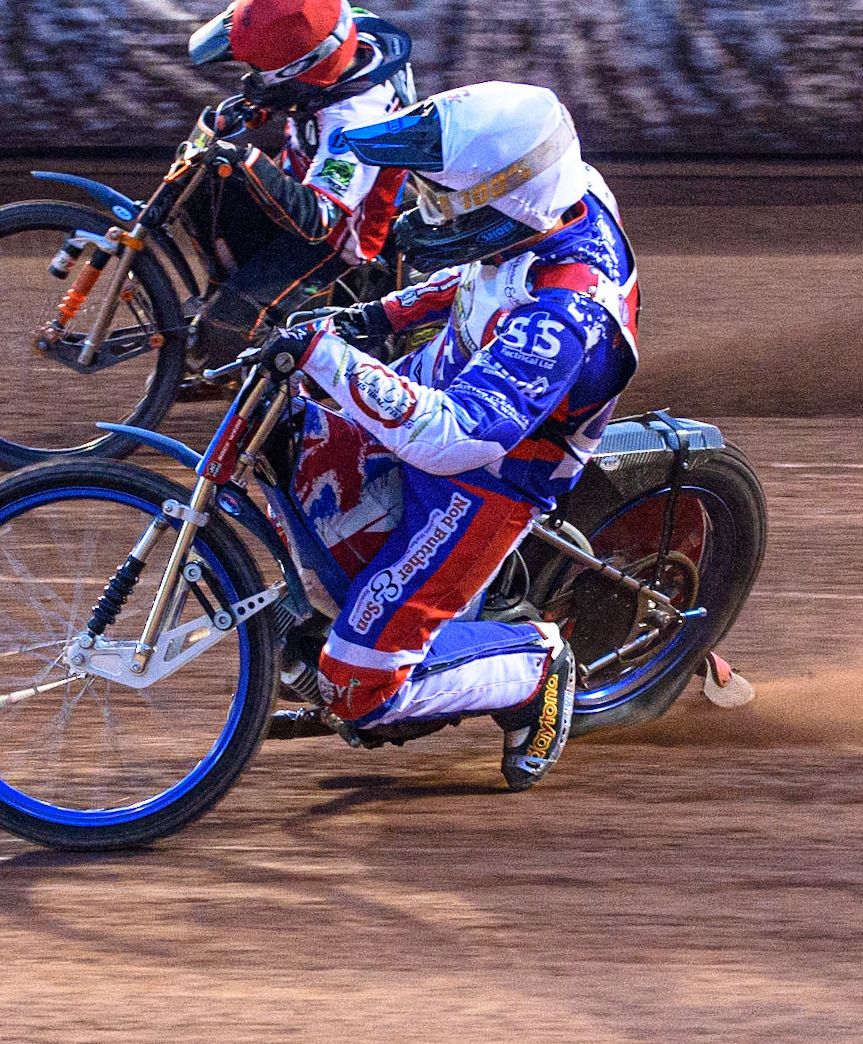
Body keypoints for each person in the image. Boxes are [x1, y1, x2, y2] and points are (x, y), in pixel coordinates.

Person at [254, 81, 641, 790]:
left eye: (446, 203)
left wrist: (329, 355)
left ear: (512, 204)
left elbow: (454, 439)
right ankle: (377, 630)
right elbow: (482, 275)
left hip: (490, 473)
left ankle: (533, 663)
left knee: (353, 691)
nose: (426, 215)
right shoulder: (552, 190)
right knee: (287, 454)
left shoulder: (565, 314)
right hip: (453, 375)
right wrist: (379, 317)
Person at [184, 0, 415, 364]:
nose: (250, 75)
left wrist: (248, 159)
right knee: (201, 187)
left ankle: (263, 388)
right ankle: (229, 295)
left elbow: (319, 219)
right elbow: (300, 69)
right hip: (301, 171)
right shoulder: (345, 26)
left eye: (259, 70)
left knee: (229, 321)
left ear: (302, 73)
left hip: (336, 233)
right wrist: (259, 103)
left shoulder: (356, 123)